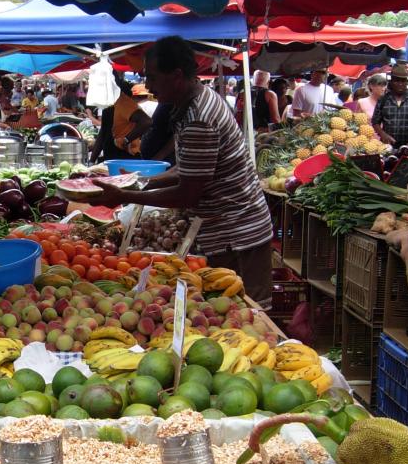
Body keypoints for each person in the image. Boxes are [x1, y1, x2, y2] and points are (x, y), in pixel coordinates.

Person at [89, 37, 273, 306]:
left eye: (152, 77)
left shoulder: (199, 117)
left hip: (237, 234)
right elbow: (188, 170)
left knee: (250, 313)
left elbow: (187, 193)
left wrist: (125, 195)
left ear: (176, 76)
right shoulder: (192, 104)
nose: (148, 86)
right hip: (226, 229)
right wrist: (139, 182)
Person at [90, 76, 152, 164]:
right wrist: (92, 161)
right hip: (112, 158)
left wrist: (126, 140)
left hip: (127, 159)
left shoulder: (124, 103)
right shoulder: (110, 104)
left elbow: (146, 122)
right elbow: (103, 132)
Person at [372, 63, 408, 148]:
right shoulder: (383, 99)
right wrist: (383, 135)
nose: (400, 84)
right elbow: (375, 122)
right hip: (388, 147)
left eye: (403, 81)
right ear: (391, 81)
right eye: (397, 80)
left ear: (407, 81)